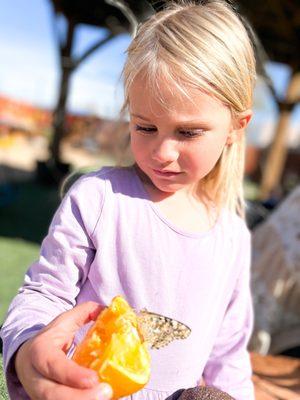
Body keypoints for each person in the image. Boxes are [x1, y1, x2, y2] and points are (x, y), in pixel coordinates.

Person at [1, 1, 256, 399]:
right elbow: (43, 294)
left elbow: (229, 355)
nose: (162, 152)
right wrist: (29, 349)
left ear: (235, 128)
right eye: (146, 126)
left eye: (188, 133)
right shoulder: (100, 200)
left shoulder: (233, 238)